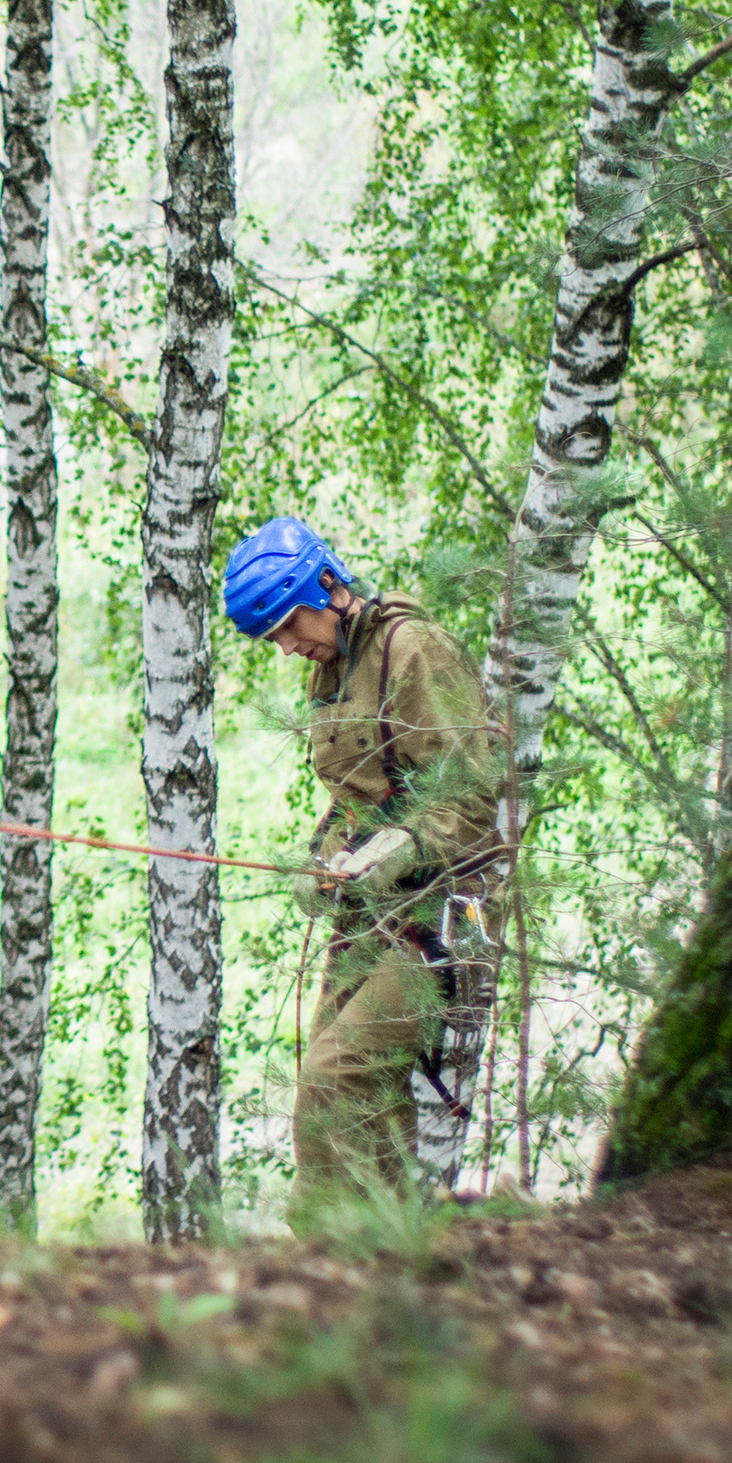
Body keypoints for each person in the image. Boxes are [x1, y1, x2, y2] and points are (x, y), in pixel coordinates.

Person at [222, 516, 503, 1221]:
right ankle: (355, 1247)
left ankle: (359, 1249)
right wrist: (324, 861)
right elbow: (356, 799)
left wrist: (405, 844)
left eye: (289, 626)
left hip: (451, 910)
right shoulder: (331, 671)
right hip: (374, 910)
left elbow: (472, 795)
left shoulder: (414, 651)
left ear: (328, 584)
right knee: (333, 1082)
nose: (287, 649)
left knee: (337, 1072)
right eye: (274, 639)